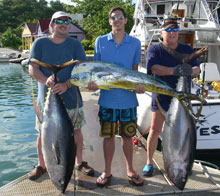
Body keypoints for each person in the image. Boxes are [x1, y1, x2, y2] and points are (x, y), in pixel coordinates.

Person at [28, 11, 94, 180]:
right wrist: (46, 80)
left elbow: (82, 70)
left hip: (72, 98)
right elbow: (32, 68)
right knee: (43, 133)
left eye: (66, 21)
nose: (63, 24)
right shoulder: (40, 43)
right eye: (59, 21)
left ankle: (79, 162)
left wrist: (66, 85)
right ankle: (41, 165)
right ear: (52, 24)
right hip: (46, 101)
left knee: (77, 131)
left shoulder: (75, 45)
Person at [88, 7, 144, 187]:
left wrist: (139, 86)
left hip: (128, 101)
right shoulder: (100, 41)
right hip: (107, 100)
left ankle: (130, 170)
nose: (117, 20)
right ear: (110, 21)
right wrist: (92, 83)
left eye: (120, 17)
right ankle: (107, 171)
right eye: (113, 17)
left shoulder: (135, 43)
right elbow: (96, 69)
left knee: (128, 137)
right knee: (108, 137)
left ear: (126, 20)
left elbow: (135, 71)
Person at [142, 17, 200, 176]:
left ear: (178, 32)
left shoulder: (187, 49)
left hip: (183, 98)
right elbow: (153, 68)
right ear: (161, 32)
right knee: (154, 130)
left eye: (175, 30)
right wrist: (176, 70)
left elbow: (197, 69)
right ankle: (149, 162)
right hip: (162, 97)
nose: (172, 33)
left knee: (185, 133)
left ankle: (182, 163)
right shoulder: (155, 49)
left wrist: (191, 71)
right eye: (168, 30)